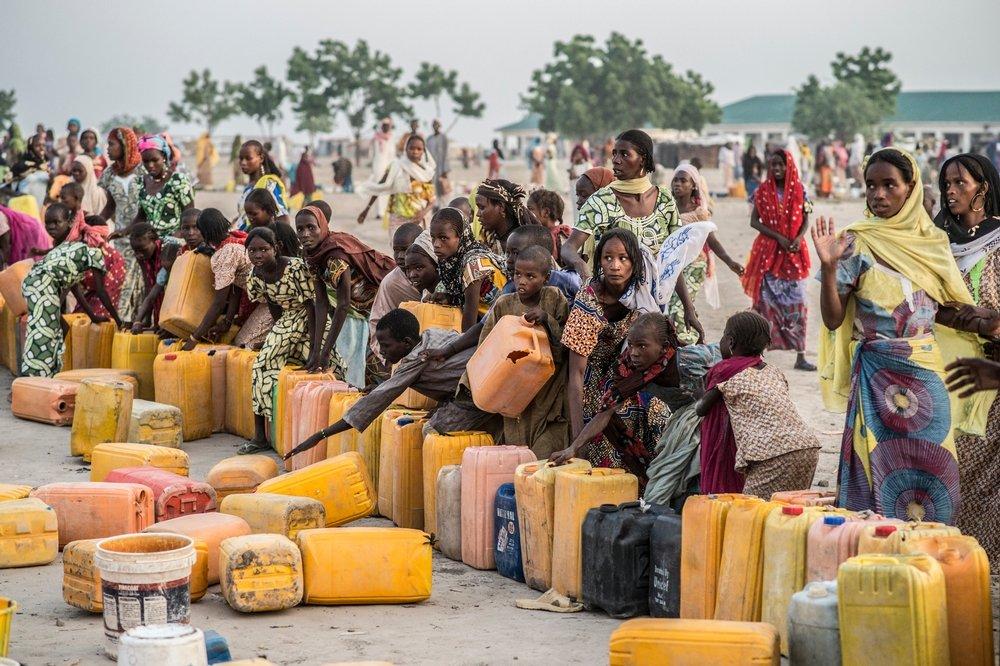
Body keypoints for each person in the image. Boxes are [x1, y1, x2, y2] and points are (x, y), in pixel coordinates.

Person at [814, 147, 999, 524]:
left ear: (911, 188)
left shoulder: (931, 242)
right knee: (875, 467)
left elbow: (942, 308)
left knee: (934, 467)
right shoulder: (855, 243)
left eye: (889, 186)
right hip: (875, 377)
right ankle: (877, 553)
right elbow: (834, 320)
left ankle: (928, 555)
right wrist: (830, 270)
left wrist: (985, 323)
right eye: (870, 186)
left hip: (926, 372)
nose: (878, 195)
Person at [285, 308, 501, 460]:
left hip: (477, 392)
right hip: (491, 373)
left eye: (386, 345)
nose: (382, 351)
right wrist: (384, 381)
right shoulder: (431, 335)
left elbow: (375, 403)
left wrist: (319, 435)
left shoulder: (417, 359)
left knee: (432, 431)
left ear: (406, 343)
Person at [562, 129, 703, 339]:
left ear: (643, 159)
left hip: (653, 303)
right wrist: (581, 266)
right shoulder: (601, 201)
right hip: (610, 303)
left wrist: (688, 308)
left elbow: (673, 261)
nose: (616, 160)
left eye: (624, 154)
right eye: (615, 154)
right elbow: (569, 247)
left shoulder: (665, 200)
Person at [935, 153, 1000, 571]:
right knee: (950, 464)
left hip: (991, 368)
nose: (951, 190)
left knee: (984, 473)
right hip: (946, 366)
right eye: (946, 184)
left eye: (960, 182)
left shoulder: (998, 241)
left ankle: (981, 565)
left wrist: (991, 324)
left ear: (984, 188)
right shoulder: (936, 240)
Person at [696, 311, 821, 498]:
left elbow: (701, 409)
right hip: (806, 448)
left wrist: (698, 392)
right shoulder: (774, 372)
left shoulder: (726, 370)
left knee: (750, 513)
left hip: (771, 455)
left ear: (730, 342)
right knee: (783, 511)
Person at [551, 312, 679, 493]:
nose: (634, 353)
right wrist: (573, 447)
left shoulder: (686, 363)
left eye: (642, 346)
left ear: (663, 347)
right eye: (631, 345)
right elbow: (606, 410)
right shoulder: (628, 366)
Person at [561, 227, 657, 463]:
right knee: (605, 433)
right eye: (608, 258)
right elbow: (576, 373)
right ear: (600, 262)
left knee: (657, 412)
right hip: (592, 379)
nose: (615, 266)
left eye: (623, 258)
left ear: (634, 262)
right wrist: (576, 441)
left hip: (627, 372)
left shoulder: (642, 294)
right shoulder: (590, 299)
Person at [463, 245, 570, 457]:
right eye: (517, 274)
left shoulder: (554, 298)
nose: (522, 281)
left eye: (530, 276)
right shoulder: (504, 304)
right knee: (516, 455)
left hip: (547, 397)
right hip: (512, 394)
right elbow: (485, 347)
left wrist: (546, 320)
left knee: (542, 458)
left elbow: (565, 346)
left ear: (546, 278)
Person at [240, 225, 318, 454]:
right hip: (287, 320)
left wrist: (315, 344)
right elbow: (273, 303)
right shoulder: (255, 276)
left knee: (323, 364)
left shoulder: (294, 268)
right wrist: (277, 334)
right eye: (252, 251)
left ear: (276, 248)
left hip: (309, 319)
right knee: (261, 366)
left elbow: (311, 305)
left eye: (263, 249)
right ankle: (261, 436)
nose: (257, 255)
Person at [297, 205, 394, 386]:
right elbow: (321, 302)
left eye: (311, 227)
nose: (305, 234)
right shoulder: (311, 254)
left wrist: (325, 352)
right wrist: (315, 351)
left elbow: (343, 305)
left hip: (379, 304)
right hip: (362, 308)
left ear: (322, 227)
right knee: (365, 365)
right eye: (300, 229)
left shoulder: (335, 257)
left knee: (378, 362)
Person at [21, 204, 121, 377]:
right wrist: (118, 320)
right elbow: (101, 291)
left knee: (53, 329)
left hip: (33, 283)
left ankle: (50, 374)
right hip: (43, 286)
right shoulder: (93, 252)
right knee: (43, 333)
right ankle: (34, 379)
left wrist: (92, 316)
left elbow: (73, 286)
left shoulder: (71, 247)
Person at [742, 149, 815, 370]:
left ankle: (801, 355)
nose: (777, 169)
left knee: (799, 303)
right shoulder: (762, 191)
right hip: (769, 254)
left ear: (789, 165)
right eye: (773, 165)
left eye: (781, 165)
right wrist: (778, 237)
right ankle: (758, 356)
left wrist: (798, 238)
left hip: (793, 253)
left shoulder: (801, 189)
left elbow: (805, 219)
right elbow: (754, 222)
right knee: (765, 305)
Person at [667, 163, 744, 342]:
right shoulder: (667, 209)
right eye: (675, 180)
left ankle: (688, 343)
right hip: (673, 266)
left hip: (694, 265)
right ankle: (697, 340)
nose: (677, 184)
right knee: (677, 305)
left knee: (678, 306)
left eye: (683, 180)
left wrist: (730, 261)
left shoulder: (699, 213)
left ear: (693, 185)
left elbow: (712, 241)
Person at [176, 208, 265, 349]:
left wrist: (194, 338)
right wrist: (227, 322)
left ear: (205, 234)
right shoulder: (238, 237)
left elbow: (218, 303)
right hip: (265, 298)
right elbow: (236, 285)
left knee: (243, 343)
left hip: (272, 301)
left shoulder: (225, 253)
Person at [429, 207, 507, 330]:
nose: (436, 244)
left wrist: (453, 348)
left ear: (461, 236)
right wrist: (450, 298)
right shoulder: (451, 260)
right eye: (433, 237)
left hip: (501, 325)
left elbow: (469, 325)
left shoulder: (473, 264)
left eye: (443, 238)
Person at [98, 126, 146, 319]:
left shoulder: (144, 170)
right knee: (123, 282)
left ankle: (139, 321)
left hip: (143, 237)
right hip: (120, 239)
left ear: (125, 145)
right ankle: (124, 322)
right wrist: (94, 224)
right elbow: (110, 206)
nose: (107, 149)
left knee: (142, 283)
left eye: (111, 144)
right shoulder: (110, 174)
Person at [111, 134, 194, 241]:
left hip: (175, 241)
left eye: (155, 160)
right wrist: (123, 231)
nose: (150, 165)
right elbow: (142, 216)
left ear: (164, 157)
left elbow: (190, 214)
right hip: (151, 242)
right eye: (146, 161)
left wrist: (177, 235)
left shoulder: (178, 180)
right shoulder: (142, 182)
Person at [358, 134, 436, 241]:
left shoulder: (426, 172)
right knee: (399, 251)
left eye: (419, 149)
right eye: (412, 148)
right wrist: (366, 209)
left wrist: (422, 214)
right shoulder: (396, 167)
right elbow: (379, 187)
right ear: (406, 149)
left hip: (419, 220)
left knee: (417, 254)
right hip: (398, 219)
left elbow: (432, 200)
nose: (415, 151)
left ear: (423, 151)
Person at [369, 223, 422, 363]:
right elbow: (378, 320)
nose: (399, 256)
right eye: (395, 250)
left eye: (405, 250)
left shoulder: (440, 272)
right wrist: (385, 359)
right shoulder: (392, 283)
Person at [128, 221, 185, 332]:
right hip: (159, 293)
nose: (139, 255)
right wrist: (142, 320)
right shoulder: (142, 257)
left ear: (153, 240)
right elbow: (149, 288)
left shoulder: (168, 251)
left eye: (143, 250)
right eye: (136, 251)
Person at [502, 224, 580, 302]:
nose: (509, 260)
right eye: (508, 253)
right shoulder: (509, 289)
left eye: (516, 253)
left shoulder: (567, 281)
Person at [235, 140, 288, 231]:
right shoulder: (248, 187)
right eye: (241, 158)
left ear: (261, 158)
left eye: (248, 158)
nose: (243, 162)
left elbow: (282, 217)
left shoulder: (269, 184)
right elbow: (244, 218)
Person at [475, 179, 535, 255]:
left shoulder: (523, 244)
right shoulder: (487, 238)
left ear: (501, 207)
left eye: (482, 207)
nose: (477, 214)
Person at [0, 199, 51, 268]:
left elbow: (5, 248)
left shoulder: (1, 218)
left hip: (29, 234)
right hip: (26, 232)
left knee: (29, 265)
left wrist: (4, 268)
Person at [526, 190, 573, 265]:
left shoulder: (561, 236)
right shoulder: (532, 234)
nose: (527, 213)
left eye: (530, 209)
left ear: (546, 212)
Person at [371, 118, 395, 217]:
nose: (385, 127)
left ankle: (386, 211)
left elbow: (392, 154)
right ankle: (379, 212)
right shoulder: (376, 138)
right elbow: (372, 153)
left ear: (389, 127)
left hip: (388, 166)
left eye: (387, 125)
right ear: (381, 126)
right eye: (383, 125)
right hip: (377, 166)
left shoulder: (391, 138)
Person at [426, 120, 450, 201]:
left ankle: (440, 207)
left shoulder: (443, 138)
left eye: (437, 125)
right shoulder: (429, 139)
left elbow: (446, 154)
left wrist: (445, 170)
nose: (435, 126)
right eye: (434, 125)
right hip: (431, 167)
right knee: (431, 187)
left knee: (441, 188)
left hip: (441, 167)